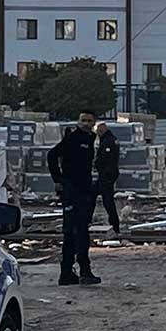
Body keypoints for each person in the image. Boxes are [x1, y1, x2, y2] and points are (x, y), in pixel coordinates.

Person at [47, 111, 102, 286]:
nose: (85, 123)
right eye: (83, 120)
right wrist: (58, 180)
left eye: (89, 121)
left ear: (94, 123)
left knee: (72, 231)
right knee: (78, 231)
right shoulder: (74, 138)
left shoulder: (90, 139)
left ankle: (67, 272)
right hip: (72, 191)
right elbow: (52, 155)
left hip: (83, 190)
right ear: (78, 122)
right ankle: (83, 271)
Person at [94, 121, 121, 236]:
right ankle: (114, 224)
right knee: (94, 195)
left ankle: (115, 225)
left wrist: (98, 164)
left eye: (99, 131)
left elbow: (107, 160)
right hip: (106, 175)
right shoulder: (108, 139)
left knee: (108, 201)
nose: (98, 134)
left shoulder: (108, 141)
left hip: (107, 175)